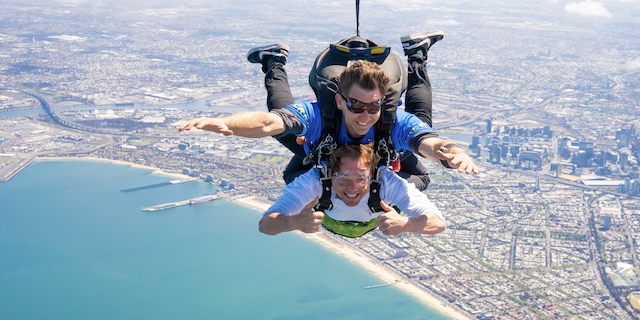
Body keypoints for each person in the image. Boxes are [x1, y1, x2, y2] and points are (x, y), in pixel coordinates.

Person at [177, 32, 477, 183]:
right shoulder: (321, 115)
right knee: (284, 122)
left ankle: (416, 55)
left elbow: (431, 143)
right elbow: (267, 123)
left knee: (420, 124)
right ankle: (273, 61)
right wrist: (226, 123)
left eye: (374, 106)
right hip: (323, 148)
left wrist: (451, 154)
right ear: (338, 100)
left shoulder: (391, 119)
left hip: (374, 157)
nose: (365, 115)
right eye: (356, 104)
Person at [259, 142, 445, 238]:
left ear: (372, 175)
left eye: (360, 178)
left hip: (346, 209)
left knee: (298, 163)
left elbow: (438, 223)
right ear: (330, 174)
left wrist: (407, 224)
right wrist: (293, 222)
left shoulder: (386, 182)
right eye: (344, 178)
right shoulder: (314, 181)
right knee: (422, 179)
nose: (352, 188)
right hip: (346, 206)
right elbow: (265, 225)